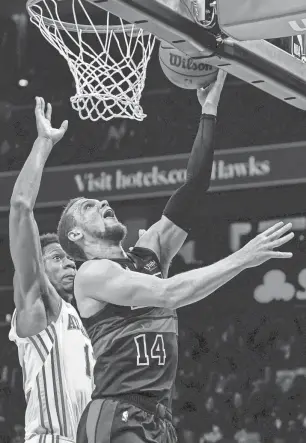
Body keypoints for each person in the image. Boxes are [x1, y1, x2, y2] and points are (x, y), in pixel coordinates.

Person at [57, 70, 294, 443]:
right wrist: (243, 258)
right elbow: (168, 294)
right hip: (116, 412)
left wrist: (209, 111)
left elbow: (194, 186)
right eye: (88, 205)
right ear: (76, 235)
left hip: (158, 414)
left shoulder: (148, 254)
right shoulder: (92, 274)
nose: (102, 202)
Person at [8, 97, 95, 443]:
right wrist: (43, 142)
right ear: (37, 267)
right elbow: (20, 206)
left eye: (70, 258)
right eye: (57, 258)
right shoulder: (39, 307)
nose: (70, 262)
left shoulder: (77, 318)